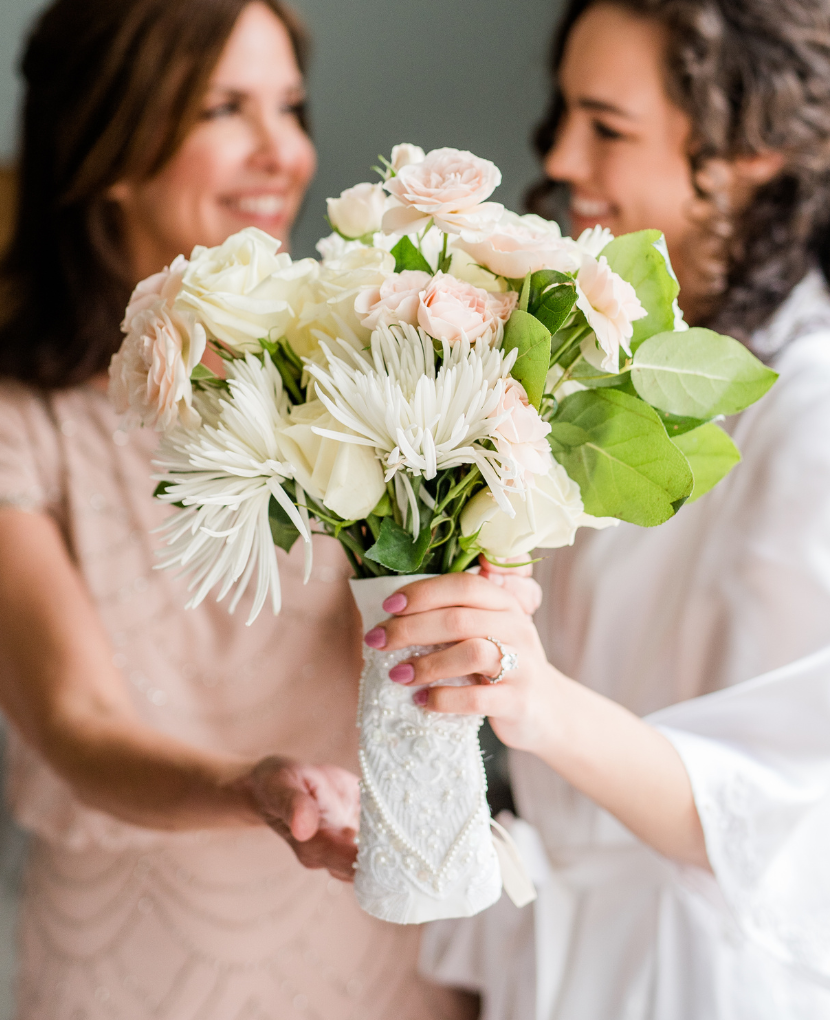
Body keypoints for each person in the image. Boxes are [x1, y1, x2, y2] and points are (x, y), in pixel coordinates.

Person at [0, 1, 477, 1017]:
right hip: (124, 965)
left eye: (289, 106)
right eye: (224, 108)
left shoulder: (370, 367)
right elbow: (76, 721)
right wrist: (251, 790)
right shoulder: (21, 424)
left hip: (375, 939)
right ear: (106, 143)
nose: (281, 151)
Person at [365, 1, 830, 1017]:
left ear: (751, 148)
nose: (562, 157)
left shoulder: (811, 416)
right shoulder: (591, 366)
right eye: (563, 112)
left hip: (698, 975)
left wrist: (531, 697)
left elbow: (778, 816)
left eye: (607, 125)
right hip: (552, 951)